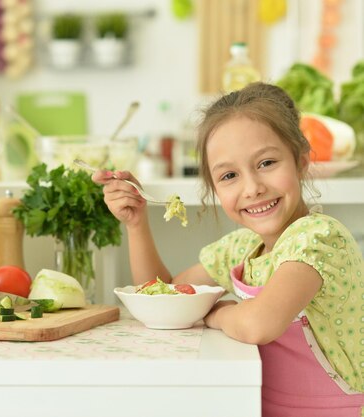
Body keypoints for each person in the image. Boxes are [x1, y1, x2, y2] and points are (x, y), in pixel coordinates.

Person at [93, 82, 364, 416]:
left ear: (301, 161)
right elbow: (164, 298)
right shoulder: (243, 247)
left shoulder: (319, 238)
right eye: (229, 175)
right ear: (214, 189)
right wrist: (136, 224)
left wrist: (215, 312)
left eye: (266, 163)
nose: (252, 188)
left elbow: (258, 324)